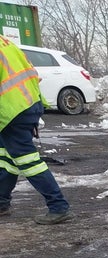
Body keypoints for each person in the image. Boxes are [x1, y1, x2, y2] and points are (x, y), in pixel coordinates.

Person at [0, 36, 72, 225]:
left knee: (27, 160)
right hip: (27, 103)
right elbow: (31, 72)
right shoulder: (5, 42)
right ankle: (1, 203)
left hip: (9, 111)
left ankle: (59, 206)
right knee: (6, 156)